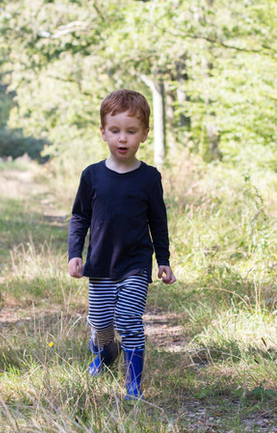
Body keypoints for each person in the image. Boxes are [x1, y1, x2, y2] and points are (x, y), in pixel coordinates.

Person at [68, 89, 176, 400]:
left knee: (128, 320)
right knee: (100, 324)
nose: (123, 139)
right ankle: (103, 352)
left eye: (131, 131)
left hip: (135, 265)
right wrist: (75, 253)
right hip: (101, 264)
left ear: (144, 134)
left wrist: (163, 260)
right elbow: (79, 218)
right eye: (115, 131)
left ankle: (133, 386)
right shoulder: (92, 176)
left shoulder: (149, 178)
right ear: (103, 132)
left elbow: (158, 222)